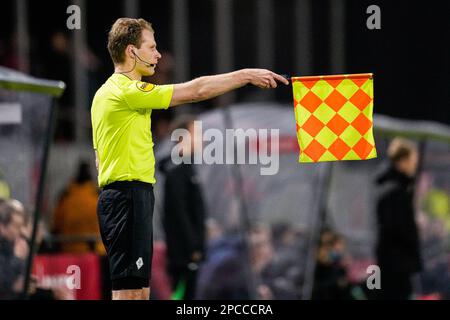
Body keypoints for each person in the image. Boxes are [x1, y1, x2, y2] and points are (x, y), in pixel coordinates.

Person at [91, 17, 288, 300]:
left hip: (129, 197)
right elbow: (196, 91)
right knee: (129, 294)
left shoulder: (104, 95)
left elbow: (100, 158)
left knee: (139, 292)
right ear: (131, 51)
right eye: (152, 47)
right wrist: (245, 75)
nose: (158, 55)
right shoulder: (125, 91)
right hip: (127, 197)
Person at [161, 115, 206, 300]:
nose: (202, 139)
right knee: (182, 294)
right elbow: (179, 213)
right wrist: (192, 246)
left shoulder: (187, 167)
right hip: (183, 253)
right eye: (197, 133)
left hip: (189, 251)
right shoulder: (176, 169)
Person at [375, 138, 422, 299]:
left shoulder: (391, 187)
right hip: (396, 264)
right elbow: (397, 228)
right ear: (402, 161)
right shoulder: (395, 191)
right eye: (412, 160)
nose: (414, 166)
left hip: (392, 262)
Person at [52, 161, 104, 254]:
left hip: (68, 251)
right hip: (94, 253)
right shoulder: (97, 195)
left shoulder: (66, 195)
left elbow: (56, 226)